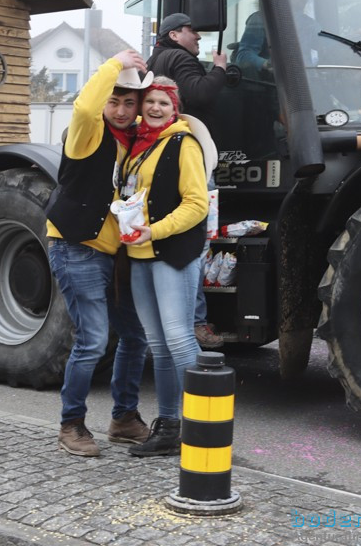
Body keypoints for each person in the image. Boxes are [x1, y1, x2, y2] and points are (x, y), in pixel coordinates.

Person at [45, 49, 154, 456]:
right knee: (92, 340)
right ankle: (70, 424)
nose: (122, 110)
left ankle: (124, 419)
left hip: (116, 252)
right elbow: (85, 105)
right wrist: (112, 64)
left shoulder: (134, 139)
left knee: (134, 334)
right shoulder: (87, 131)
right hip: (77, 246)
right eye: (115, 100)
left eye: (129, 102)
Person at [120, 76, 214, 456]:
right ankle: (170, 426)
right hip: (140, 253)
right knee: (158, 345)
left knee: (178, 339)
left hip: (171, 251)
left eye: (163, 102)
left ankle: (203, 424)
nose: (155, 108)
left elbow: (196, 204)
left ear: (174, 108)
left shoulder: (182, 143)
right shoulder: (139, 145)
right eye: (150, 102)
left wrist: (153, 231)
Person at [148, 13, 226, 349]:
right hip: (192, 157)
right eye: (193, 32)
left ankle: (169, 320)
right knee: (197, 244)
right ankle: (193, 324)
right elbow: (199, 94)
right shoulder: (180, 57)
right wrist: (220, 68)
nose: (198, 39)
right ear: (176, 34)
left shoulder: (156, 60)